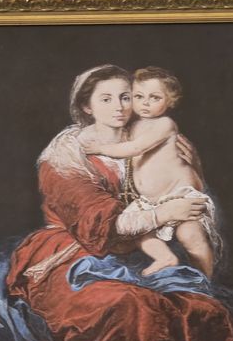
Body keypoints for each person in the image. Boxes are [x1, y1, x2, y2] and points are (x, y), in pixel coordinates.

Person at [4, 64, 233, 341]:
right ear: (86, 107)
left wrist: (188, 180)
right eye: (106, 98)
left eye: (127, 96)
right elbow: (96, 223)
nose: (121, 106)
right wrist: (165, 213)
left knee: (201, 309)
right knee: (124, 307)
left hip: (138, 252)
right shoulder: (65, 155)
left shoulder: (149, 136)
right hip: (71, 255)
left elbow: (183, 184)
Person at [80, 66, 217, 277]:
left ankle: (206, 281)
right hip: (149, 201)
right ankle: (165, 257)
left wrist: (101, 149)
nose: (145, 103)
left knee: (191, 237)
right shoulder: (133, 126)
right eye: (138, 96)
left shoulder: (165, 124)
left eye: (154, 97)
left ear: (170, 101)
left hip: (179, 194)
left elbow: (136, 148)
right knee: (139, 233)